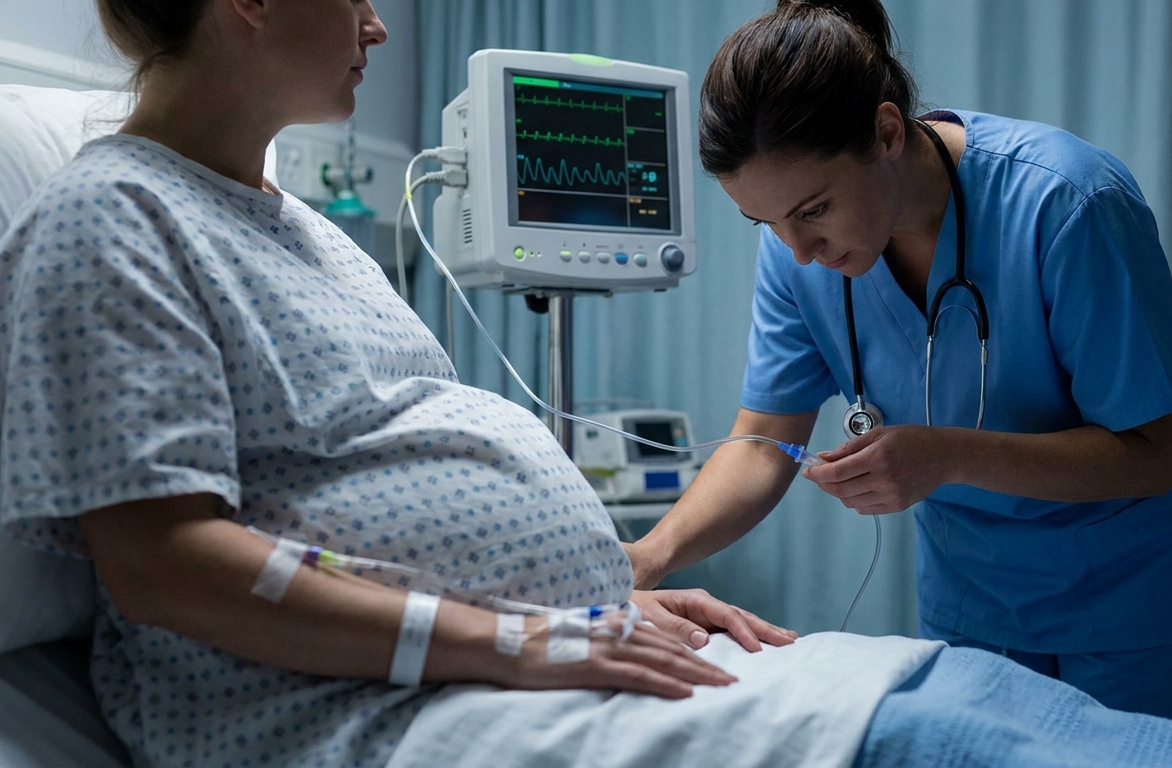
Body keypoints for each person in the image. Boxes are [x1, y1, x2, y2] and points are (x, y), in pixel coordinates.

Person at [0, 1, 793, 765]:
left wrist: (592, 609)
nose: (377, 25)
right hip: (340, 713)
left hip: (481, 676)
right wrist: (517, 641)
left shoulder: (310, 234)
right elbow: (165, 566)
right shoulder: (114, 217)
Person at [625, 0, 1172, 733]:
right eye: (767, 223)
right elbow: (763, 443)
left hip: (1137, 592)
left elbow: (1151, 455)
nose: (799, 250)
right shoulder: (798, 258)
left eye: (814, 210)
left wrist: (944, 455)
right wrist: (647, 556)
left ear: (888, 132)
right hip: (980, 599)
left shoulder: (1067, 202)